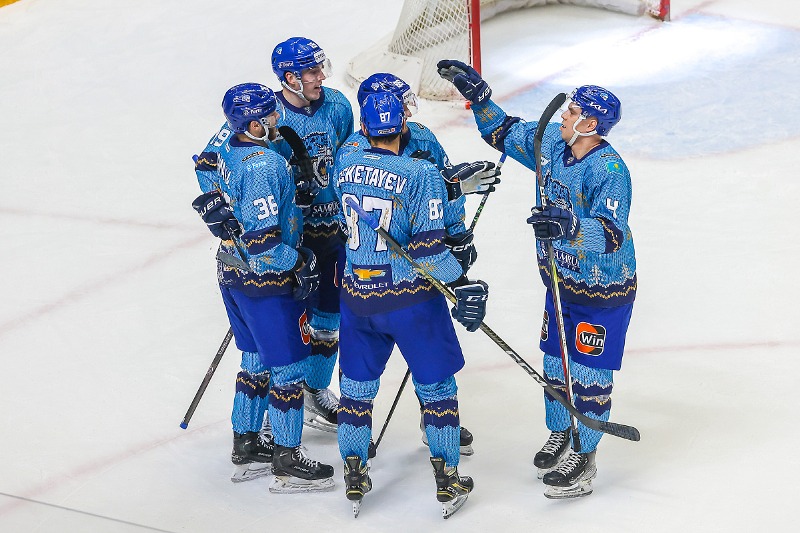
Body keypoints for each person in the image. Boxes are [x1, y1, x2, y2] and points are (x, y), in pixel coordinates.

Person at [438, 60, 636, 499]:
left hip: (603, 289)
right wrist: (480, 99)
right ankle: (561, 431)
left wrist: (569, 227)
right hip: (560, 282)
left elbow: (611, 233)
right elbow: (502, 132)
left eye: (573, 111)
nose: (564, 114)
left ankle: (585, 456)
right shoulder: (550, 142)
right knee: (554, 364)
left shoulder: (610, 171)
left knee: (588, 373)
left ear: (590, 124)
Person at [332, 91, 490, 518]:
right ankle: (447, 477)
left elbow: (346, 217)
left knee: (355, 390)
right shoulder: (421, 172)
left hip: (358, 297)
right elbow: (428, 252)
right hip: (411, 302)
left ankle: (354, 469)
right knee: (437, 389)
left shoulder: (345, 163)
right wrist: (462, 281)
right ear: (403, 125)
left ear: (363, 128)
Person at [191, 83, 334, 493]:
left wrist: (225, 214)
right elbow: (264, 246)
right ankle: (287, 459)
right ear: (254, 124)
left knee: (254, 360)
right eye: (270, 114)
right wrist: (300, 261)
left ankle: (247, 444)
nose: (277, 118)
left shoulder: (226, 148)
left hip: (231, 273)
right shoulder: (263, 166)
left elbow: (204, 166)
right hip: (265, 282)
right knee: (288, 370)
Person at [269, 37, 355, 432]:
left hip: (334, 232)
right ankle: (275, 412)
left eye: (321, 68)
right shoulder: (265, 114)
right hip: (291, 240)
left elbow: (350, 156)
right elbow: (216, 160)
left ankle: (314, 391)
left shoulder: (337, 105)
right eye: (312, 71)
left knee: (329, 319)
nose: (321, 77)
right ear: (290, 78)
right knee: (286, 327)